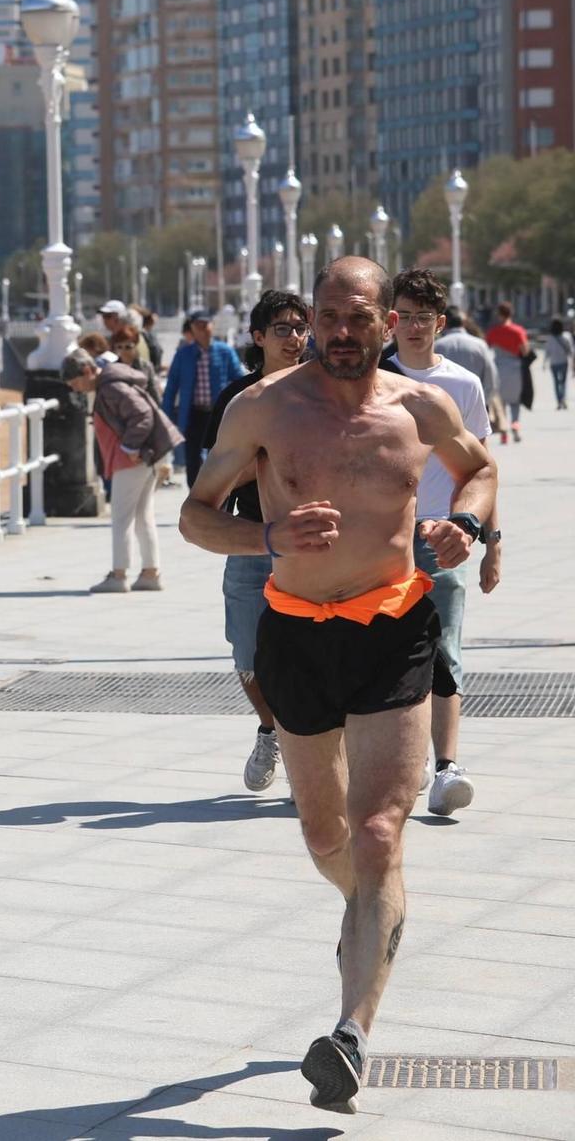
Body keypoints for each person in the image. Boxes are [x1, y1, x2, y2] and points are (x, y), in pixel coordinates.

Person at [180, 257, 495, 1114]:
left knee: (381, 827)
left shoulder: (420, 405)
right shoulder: (264, 407)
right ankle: (373, 913)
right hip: (295, 631)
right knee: (329, 836)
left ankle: (349, 1032)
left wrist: (467, 524)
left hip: (394, 627)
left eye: (361, 317)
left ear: (389, 319)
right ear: (311, 320)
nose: (344, 332)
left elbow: (481, 468)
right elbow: (194, 514)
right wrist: (269, 536)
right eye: (329, 316)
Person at [385, 270, 500, 816]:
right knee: (377, 651)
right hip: (378, 536)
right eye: (403, 316)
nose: (412, 327)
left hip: (441, 535)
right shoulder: (372, 377)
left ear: (440, 323)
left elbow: (480, 470)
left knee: (443, 650)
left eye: (422, 318)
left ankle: (448, 767)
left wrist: (490, 539)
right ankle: (383, 764)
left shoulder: (461, 385)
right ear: (390, 320)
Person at [199, 289, 313, 793]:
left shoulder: (321, 394)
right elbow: (214, 478)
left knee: (311, 658)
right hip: (251, 541)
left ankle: (304, 756)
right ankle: (271, 729)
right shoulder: (238, 399)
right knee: (248, 656)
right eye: (283, 329)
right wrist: (263, 461)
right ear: (259, 337)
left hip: (312, 546)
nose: (294, 338)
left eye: (300, 328)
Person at [62, 349, 181, 593]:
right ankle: (150, 572)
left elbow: (143, 415)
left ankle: (119, 575)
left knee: (122, 519)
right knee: (141, 517)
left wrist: (130, 446)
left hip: (129, 462)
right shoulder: (112, 384)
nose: (76, 389)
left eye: (75, 383)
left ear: (87, 371)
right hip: (138, 460)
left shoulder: (110, 388)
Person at [160, 307, 245, 488]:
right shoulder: (184, 354)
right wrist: (165, 417)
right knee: (193, 458)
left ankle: (218, 498)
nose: (203, 329)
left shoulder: (225, 351)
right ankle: (195, 497)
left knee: (219, 455)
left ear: (212, 326)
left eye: (206, 324)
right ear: (192, 328)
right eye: (198, 325)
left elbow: (240, 380)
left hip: (218, 414)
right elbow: (172, 387)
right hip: (193, 415)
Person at [484, 302, 530, 443]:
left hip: (498, 368)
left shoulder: (494, 331)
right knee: (515, 401)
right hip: (515, 367)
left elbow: (486, 347)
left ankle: (504, 432)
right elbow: (525, 350)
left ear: (499, 314)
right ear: (511, 313)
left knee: (501, 402)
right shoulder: (518, 331)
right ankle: (515, 424)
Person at [545, 317, 572, 410]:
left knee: (556, 383)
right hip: (564, 362)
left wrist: (544, 363)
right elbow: (570, 351)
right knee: (563, 383)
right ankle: (563, 398)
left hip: (554, 363)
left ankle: (559, 401)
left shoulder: (550, 338)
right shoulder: (566, 336)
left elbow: (547, 352)